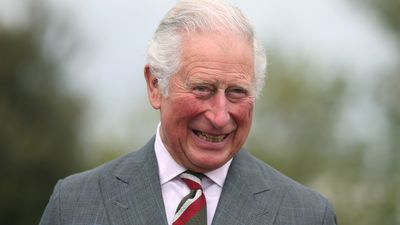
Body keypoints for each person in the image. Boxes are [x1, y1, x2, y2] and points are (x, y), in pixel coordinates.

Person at [40, 0, 337, 224]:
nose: (220, 116)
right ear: (156, 85)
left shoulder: (307, 215)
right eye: (202, 89)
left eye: (237, 92)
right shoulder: (75, 205)